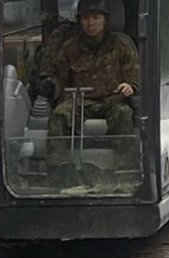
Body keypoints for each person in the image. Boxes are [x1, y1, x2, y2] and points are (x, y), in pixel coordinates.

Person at [44, 0, 139, 172]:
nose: (91, 23)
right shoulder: (69, 48)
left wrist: (130, 86)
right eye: (86, 18)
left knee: (124, 114)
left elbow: (134, 76)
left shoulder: (122, 44)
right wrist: (52, 86)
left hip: (113, 99)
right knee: (59, 115)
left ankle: (125, 171)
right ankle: (58, 170)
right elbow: (59, 77)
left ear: (105, 19)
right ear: (80, 21)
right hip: (79, 100)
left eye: (96, 17)